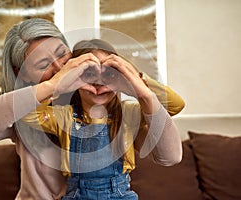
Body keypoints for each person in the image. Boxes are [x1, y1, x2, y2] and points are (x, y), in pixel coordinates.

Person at [0, 18, 185, 199]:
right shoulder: (25, 109)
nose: (59, 67)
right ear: (21, 73)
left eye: (62, 54)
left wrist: (135, 79)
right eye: (43, 65)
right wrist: (51, 87)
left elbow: (171, 134)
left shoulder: (118, 111)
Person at [21, 39, 183, 199]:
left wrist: (138, 81)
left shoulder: (129, 114)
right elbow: (26, 113)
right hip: (76, 194)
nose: (98, 82)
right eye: (89, 74)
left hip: (120, 194)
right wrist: (58, 84)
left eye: (109, 74)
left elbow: (175, 106)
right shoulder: (64, 116)